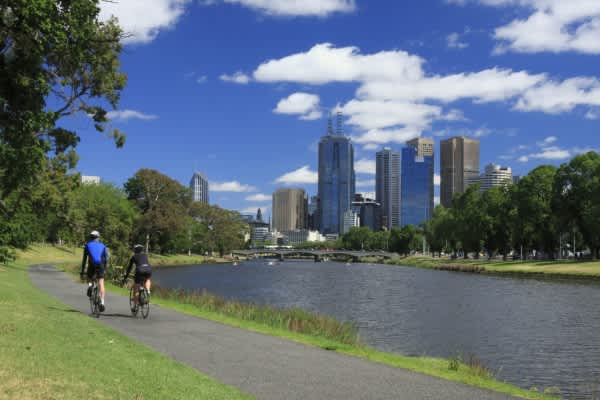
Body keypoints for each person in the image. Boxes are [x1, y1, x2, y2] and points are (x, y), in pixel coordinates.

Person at [80, 230, 109, 312]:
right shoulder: (103, 246)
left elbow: (84, 259)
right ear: (98, 237)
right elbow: (106, 259)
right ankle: (102, 303)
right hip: (101, 265)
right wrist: (105, 269)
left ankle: (89, 286)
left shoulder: (87, 245)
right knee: (101, 283)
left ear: (90, 237)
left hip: (91, 265)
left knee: (89, 277)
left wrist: (82, 271)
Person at [122, 244, 153, 311]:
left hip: (140, 270)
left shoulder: (134, 256)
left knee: (136, 288)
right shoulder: (145, 255)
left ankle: (135, 306)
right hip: (148, 269)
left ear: (135, 250)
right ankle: (148, 290)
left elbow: (129, 268)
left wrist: (126, 276)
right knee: (147, 279)